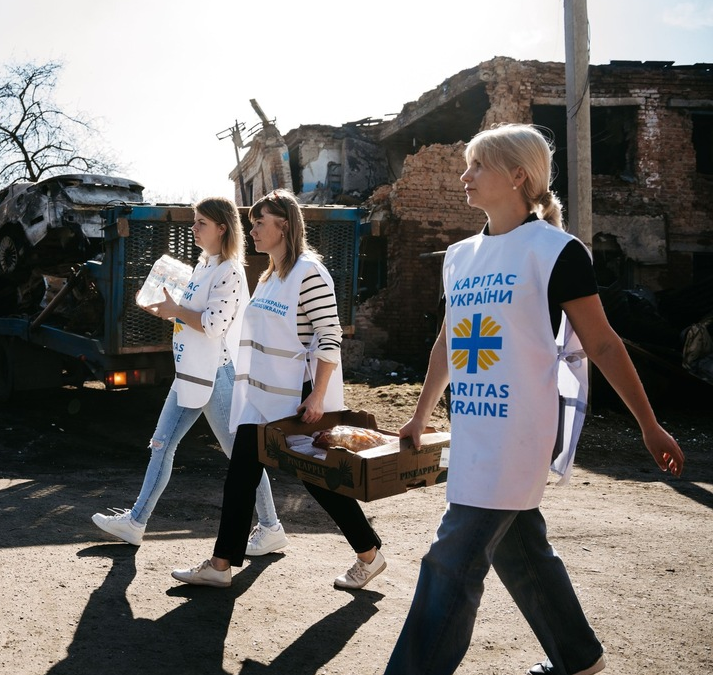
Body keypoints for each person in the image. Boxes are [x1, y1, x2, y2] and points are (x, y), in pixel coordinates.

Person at [383, 124, 685, 675]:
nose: (464, 175)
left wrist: (649, 424)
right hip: (474, 431)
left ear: (518, 175)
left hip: (518, 435)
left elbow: (601, 343)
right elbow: (449, 343)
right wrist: (419, 416)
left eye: (478, 165)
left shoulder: (555, 252)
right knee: (523, 552)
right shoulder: (458, 256)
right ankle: (580, 658)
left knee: (450, 562)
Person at [171, 189, 385, 589]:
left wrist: (318, 396)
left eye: (259, 222)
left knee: (317, 479)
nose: (250, 229)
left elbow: (329, 336)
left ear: (283, 225)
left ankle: (369, 554)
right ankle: (220, 565)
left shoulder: (310, 272)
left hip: (296, 398)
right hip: (262, 398)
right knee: (240, 476)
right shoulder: (270, 274)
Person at [92, 197, 286, 551]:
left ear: (222, 227)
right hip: (191, 371)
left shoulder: (229, 270)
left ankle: (271, 527)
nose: (193, 228)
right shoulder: (204, 265)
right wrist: (168, 308)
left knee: (241, 456)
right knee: (161, 444)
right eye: (194, 221)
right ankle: (136, 522)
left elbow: (213, 325)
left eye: (201, 223)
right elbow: (186, 310)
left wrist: (176, 311)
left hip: (215, 375)